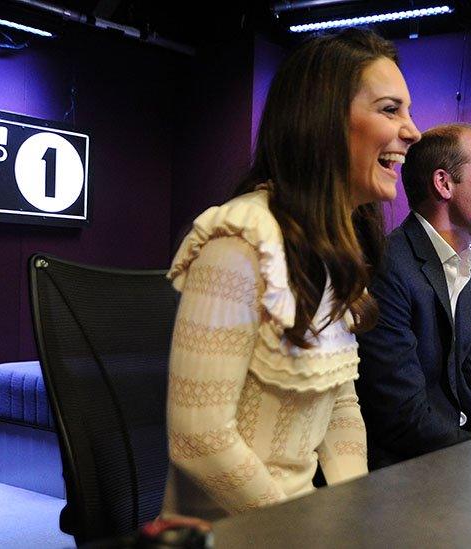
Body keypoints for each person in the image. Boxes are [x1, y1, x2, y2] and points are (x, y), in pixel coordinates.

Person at [160, 29, 421, 520]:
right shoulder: (240, 244)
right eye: (391, 110)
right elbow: (199, 438)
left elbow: (341, 404)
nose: (413, 131)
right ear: (324, 122)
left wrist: (352, 515)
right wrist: (297, 530)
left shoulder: (337, 246)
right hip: (234, 528)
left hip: (297, 521)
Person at [356, 123, 471, 469]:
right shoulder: (390, 267)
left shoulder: (468, 270)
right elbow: (402, 416)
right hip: (405, 469)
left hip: (457, 455)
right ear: (444, 184)